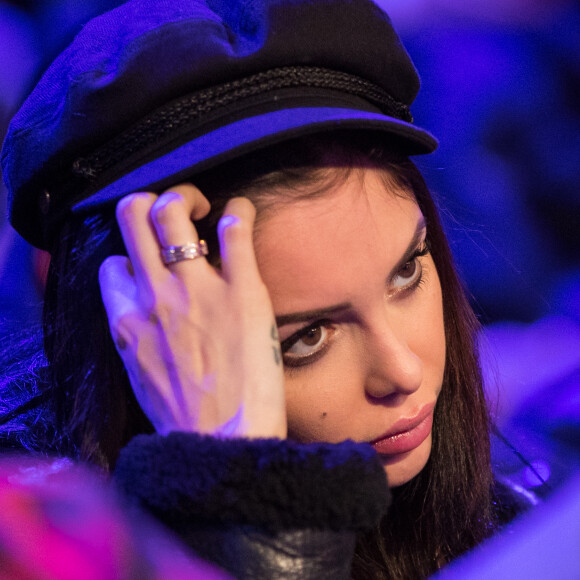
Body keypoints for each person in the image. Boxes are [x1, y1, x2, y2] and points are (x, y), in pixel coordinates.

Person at [0, 0, 533, 578]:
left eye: (406, 273)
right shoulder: (42, 541)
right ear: (148, 344)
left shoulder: (514, 514)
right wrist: (234, 488)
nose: (402, 371)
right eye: (306, 339)